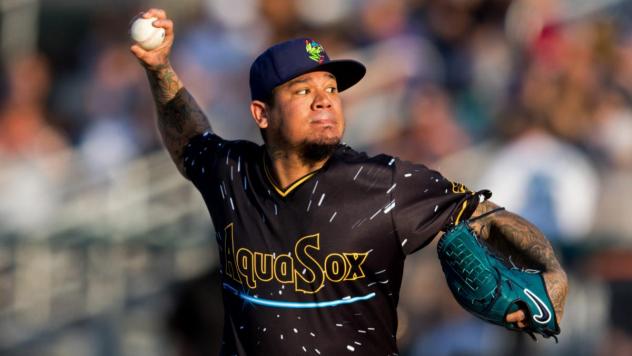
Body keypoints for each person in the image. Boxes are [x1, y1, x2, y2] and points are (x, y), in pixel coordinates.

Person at [131, 9, 568, 355]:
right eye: (302, 91)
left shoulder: (386, 185)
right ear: (261, 114)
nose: (325, 100)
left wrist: (551, 271)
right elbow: (188, 137)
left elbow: (486, 216)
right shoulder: (233, 175)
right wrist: (159, 68)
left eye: (331, 89)